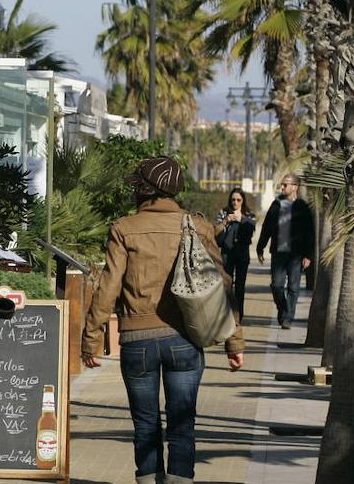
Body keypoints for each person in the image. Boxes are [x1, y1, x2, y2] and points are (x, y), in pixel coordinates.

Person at [82, 156, 244, 484]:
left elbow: (108, 288)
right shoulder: (197, 225)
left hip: (136, 342)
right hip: (185, 339)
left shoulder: (124, 229)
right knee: (182, 427)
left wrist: (92, 339)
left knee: (146, 426)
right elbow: (222, 285)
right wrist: (234, 342)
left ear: (142, 190)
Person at [256, 174, 315, 329]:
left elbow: (309, 233)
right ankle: (283, 309)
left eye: (285, 185)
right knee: (276, 285)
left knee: (294, 288)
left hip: (296, 255)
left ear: (295, 187)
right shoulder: (276, 204)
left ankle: (287, 318)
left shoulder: (302, 207)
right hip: (278, 253)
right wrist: (260, 247)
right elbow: (267, 227)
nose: (282, 188)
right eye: (282, 185)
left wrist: (308, 255)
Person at [213, 188, 256, 320]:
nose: (235, 202)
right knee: (227, 284)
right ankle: (226, 314)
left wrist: (241, 219)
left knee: (240, 285)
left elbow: (252, 229)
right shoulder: (224, 212)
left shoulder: (248, 215)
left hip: (242, 253)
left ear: (243, 201)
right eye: (233, 200)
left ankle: (238, 315)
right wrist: (226, 220)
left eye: (238, 200)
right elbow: (215, 231)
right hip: (227, 253)